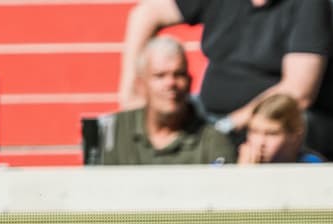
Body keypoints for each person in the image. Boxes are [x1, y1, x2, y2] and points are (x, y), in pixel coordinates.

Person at [115, 0, 333, 161]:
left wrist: (228, 125)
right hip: (210, 114)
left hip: (272, 121)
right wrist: (131, 94)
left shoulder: (309, 5)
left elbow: (298, 92)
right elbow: (144, 15)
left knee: (272, 133)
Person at [100, 36, 236, 166]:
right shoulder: (113, 133)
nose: (170, 83)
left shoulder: (212, 141)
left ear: (190, 82)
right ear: (140, 85)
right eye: (160, 76)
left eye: (179, 74)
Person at [238, 93, 325, 163]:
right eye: (254, 131)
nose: (260, 143)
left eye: (272, 134)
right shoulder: (239, 164)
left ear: (295, 135)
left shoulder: (312, 166)